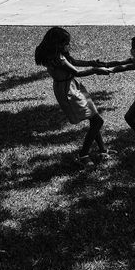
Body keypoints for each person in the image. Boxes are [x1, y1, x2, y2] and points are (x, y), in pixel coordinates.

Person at [34, 26, 111, 168]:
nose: (67, 46)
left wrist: (92, 62)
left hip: (72, 86)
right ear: (57, 44)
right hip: (68, 91)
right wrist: (95, 70)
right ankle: (83, 154)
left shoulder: (58, 55)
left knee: (94, 118)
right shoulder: (57, 59)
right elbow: (77, 72)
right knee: (97, 121)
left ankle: (103, 150)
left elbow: (74, 62)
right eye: (65, 43)